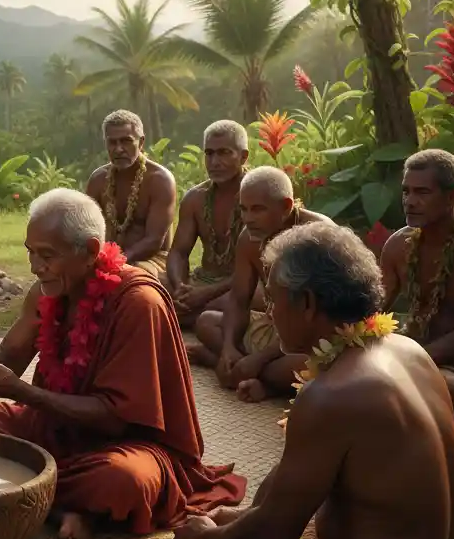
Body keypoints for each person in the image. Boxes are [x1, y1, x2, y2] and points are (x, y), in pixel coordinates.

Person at [121, 223, 454, 539]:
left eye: (274, 295)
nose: (268, 307)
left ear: (307, 304)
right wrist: (241, 515)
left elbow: (273, 535)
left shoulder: (333, 394)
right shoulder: (406, 351)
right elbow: (295, 480)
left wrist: (214, 533)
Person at [0, 188, 245, 539]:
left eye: (47, 255)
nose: (34, 267)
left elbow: (115, 419)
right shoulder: (46, 290)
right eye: (31, 252)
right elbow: (9, 358)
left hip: (124, 445)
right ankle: (64, 506)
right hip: (52, 426)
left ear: (92, 251)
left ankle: (35, 491)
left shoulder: (140, 302)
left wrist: (22, 392)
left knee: (124, 482)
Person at [193, 166, 331, 402]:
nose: (248, 218)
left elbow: (324, 316)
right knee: (207, 322)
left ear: (286, 206)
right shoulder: (249, 238)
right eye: (243, 209)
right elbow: (239, 299)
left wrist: (259, 359)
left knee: (314, 364)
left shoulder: (321, 237)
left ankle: (259, 380)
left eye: (257, 209)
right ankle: (240, 367)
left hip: (314, 333)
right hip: (274, 325)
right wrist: (228, 347)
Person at [381, 150, 454, 422]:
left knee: (416, 388)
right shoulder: (398, 245)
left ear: (453, 196)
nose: (410, 201)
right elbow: (368, 312)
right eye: (406, 192)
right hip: (414, 351)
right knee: (309, 369)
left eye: (422, 192)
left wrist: (409, 362)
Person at [166, 120, 250, 328]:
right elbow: (178, 252)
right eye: (209, 153)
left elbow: (261, 268)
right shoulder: (195, 199)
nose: (214, 162)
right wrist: (180, 287)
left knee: (251, 297)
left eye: (224, 153)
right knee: (153, 290)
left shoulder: (258, 197)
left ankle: (191, 316)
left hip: (242, 285)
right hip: (203, 281)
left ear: (243, 156)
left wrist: (204, 295)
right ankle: (188, 312)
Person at [85, 110, 176, 279]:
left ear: (141, 142)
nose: (119, 149)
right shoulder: (98, 180)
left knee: (125, 280)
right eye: (112, 142)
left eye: (126, 141)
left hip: (152, 261)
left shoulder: (159, 180)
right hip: (104, 259)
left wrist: (116, 263)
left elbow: (154, 241)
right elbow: (85, 230)